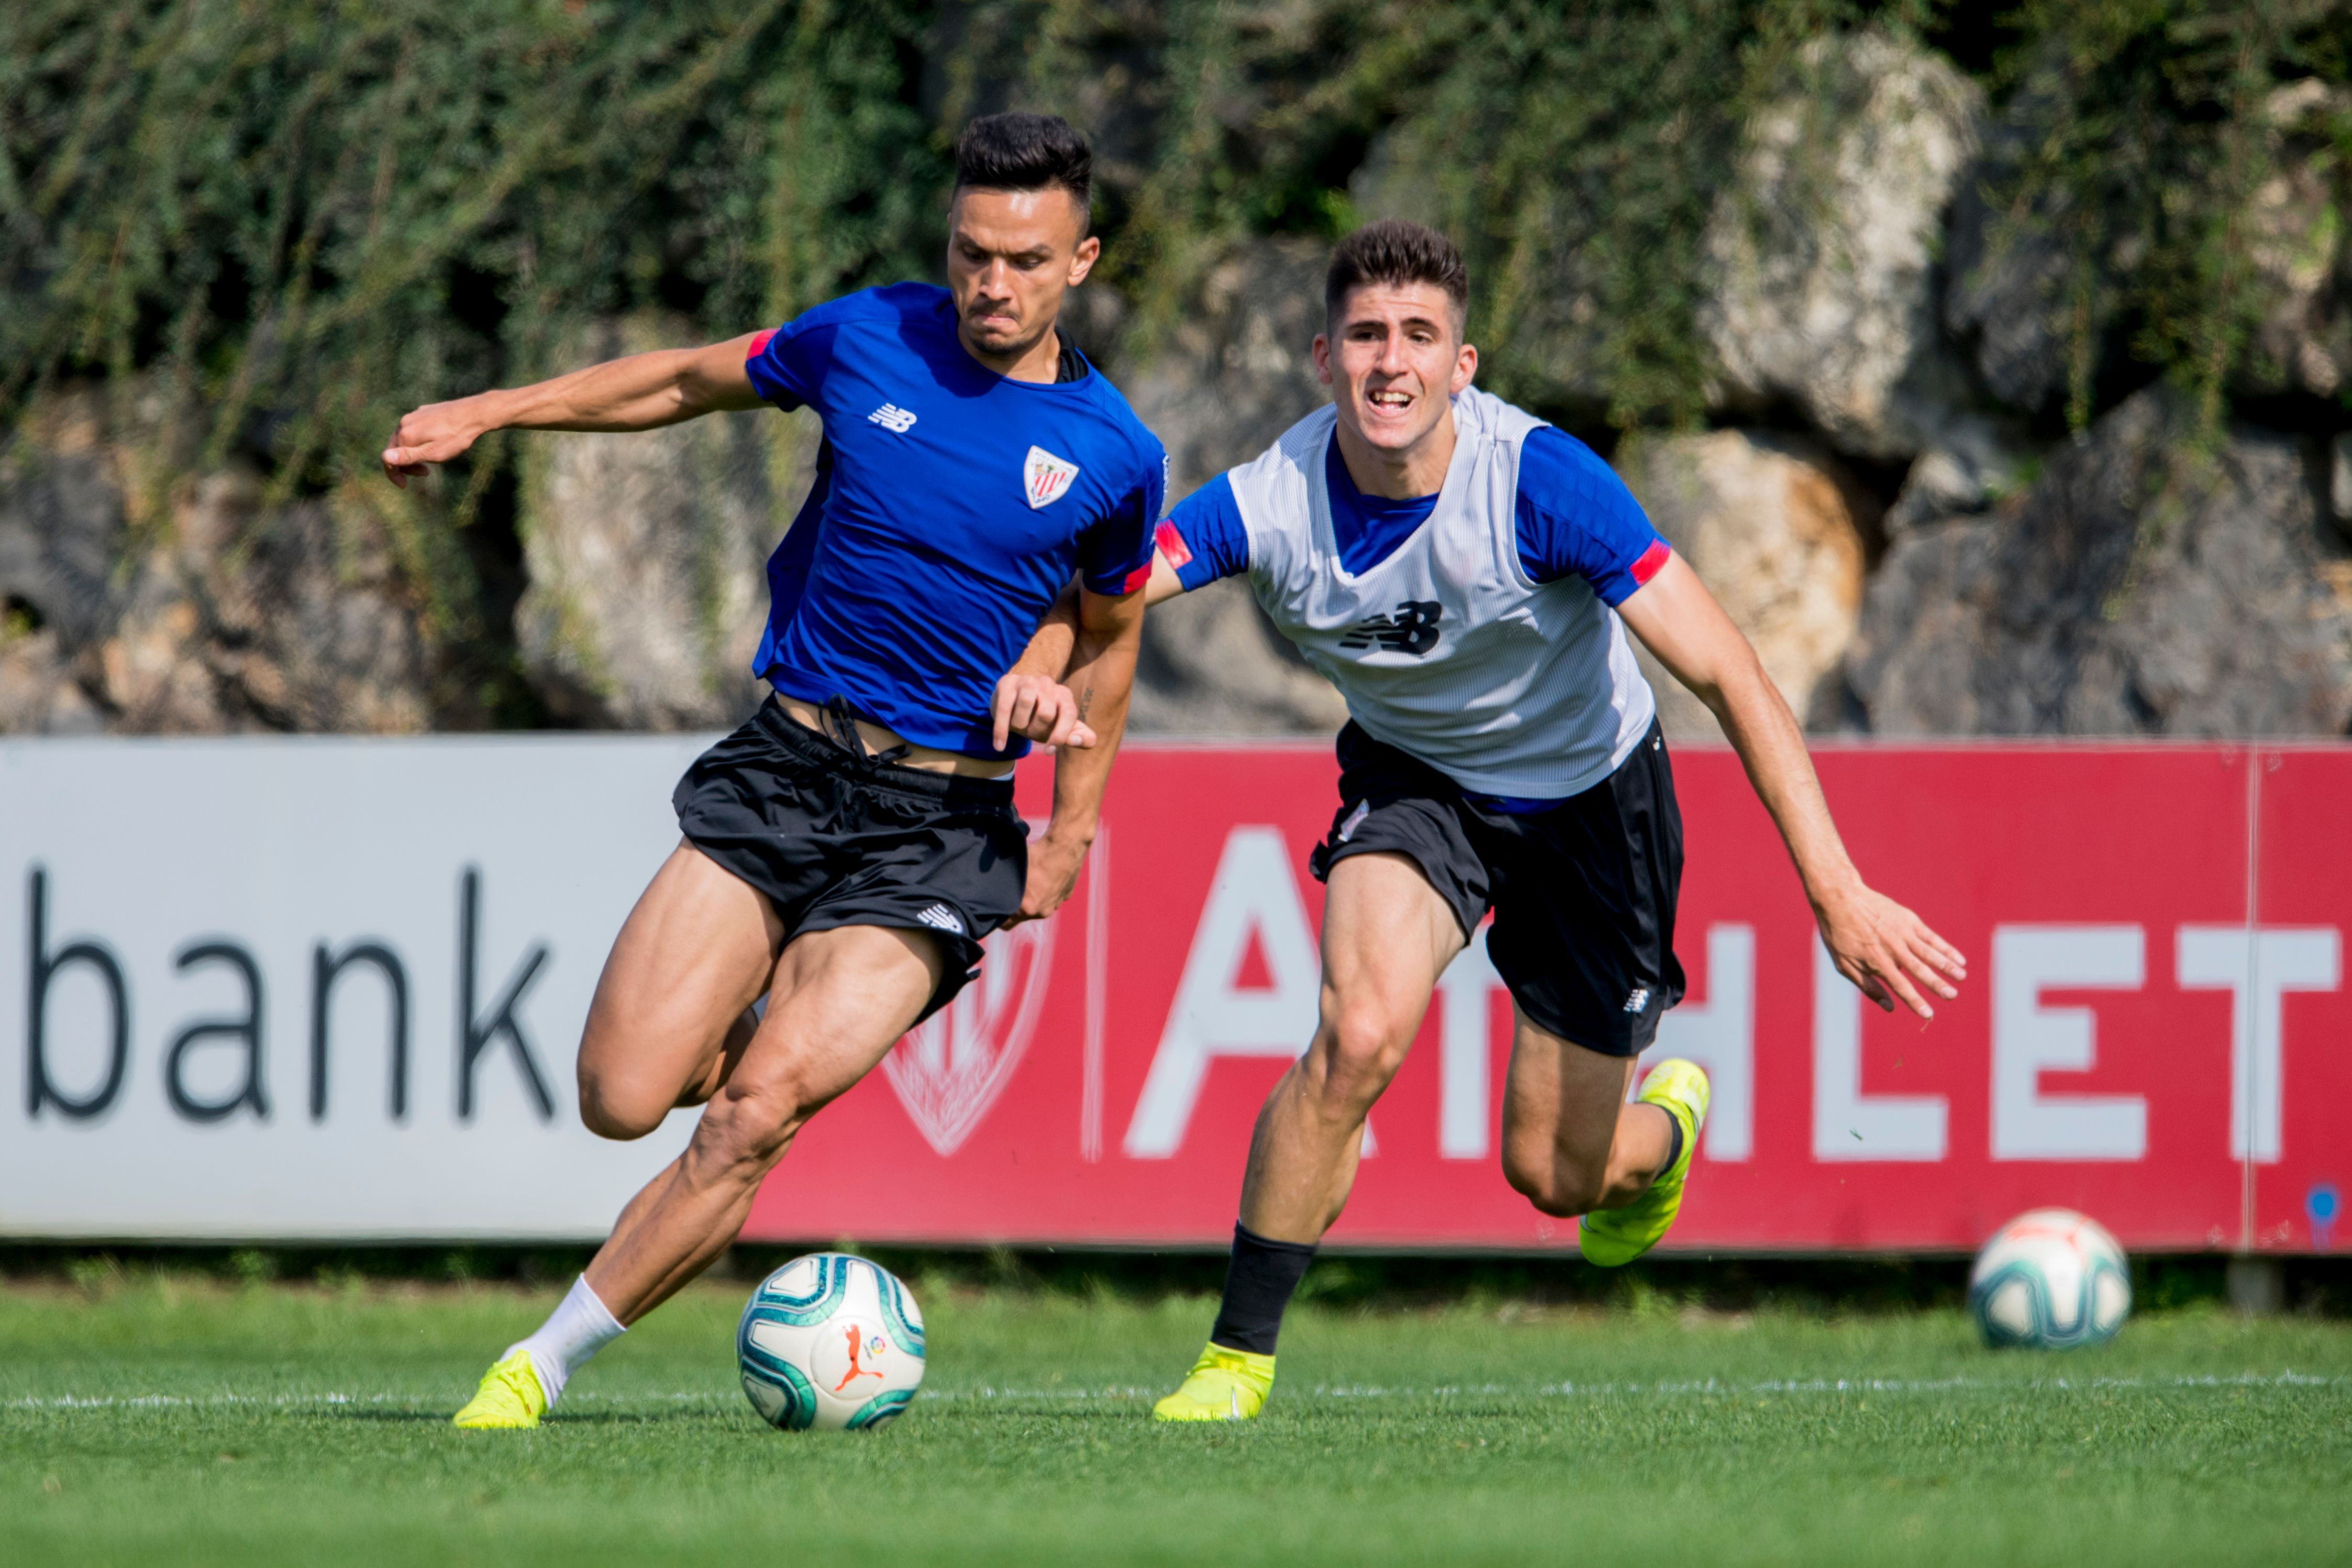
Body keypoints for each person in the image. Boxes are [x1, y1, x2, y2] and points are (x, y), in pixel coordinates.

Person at [1001, 220, 1966, 1422]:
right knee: (1354, 1037)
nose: (1389, 363)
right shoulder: (1271, 499)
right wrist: (1042, 664)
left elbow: (1730, 674)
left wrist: (1837, 890)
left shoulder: (1540, 482)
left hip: (1590, 805)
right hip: (1417, 785)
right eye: (1364, 337)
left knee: (1555, 1178)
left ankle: (1659, 1129)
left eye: (1419, 337)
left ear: (1463, 364)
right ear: (1321, 356)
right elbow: (1103, 590)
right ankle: (1233, 1361)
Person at [380, 113, 1164, 1429]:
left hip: (940, 823)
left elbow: (1110, 632)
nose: (992, 283)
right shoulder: (866, 336)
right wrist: (494, 411)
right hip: (785, 770)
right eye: (973, 252)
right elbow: (685, 381)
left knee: (751, 1117)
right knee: (620, 1095)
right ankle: (754, 1025)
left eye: (1025, 259)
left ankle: (535, 1365)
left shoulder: (1113, 452)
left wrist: (1068, 833)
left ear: (1079, 258)